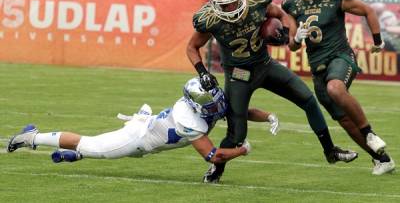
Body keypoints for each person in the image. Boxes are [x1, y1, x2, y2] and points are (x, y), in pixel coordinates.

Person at [186, 0, 358, 183]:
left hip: (265, 66)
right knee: (236, 136)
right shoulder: (209, 19)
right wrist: (202, 72)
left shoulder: (256, 0)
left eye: (234, 2)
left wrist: (285, 33)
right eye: (224, 5)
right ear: (213, 4)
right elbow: (192, 47)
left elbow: (279, 13)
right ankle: (217, 169)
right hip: (238, 76)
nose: (231, 8)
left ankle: (330, 151)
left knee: (308, 100)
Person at [283, 0, 395, 175]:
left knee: (336, 88)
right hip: (317, 67)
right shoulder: (292, 3)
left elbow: (368, 10)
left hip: (341, 56)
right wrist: (296, 39)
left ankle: (370, 133)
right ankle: (382, 159)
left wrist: (378, 41)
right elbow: (292, 46)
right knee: (344, 120)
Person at [7, 77, 279, 166]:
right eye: (208, 103)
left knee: (100, 150)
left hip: (148, 130)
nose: (216, 105)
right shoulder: (189, 119)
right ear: (196, 104)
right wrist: (243, 150)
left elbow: (240, 110)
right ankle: (31, 136)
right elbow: (213, 154)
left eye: (215, 97)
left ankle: (72, 154)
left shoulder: (207, 101)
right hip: (138, 138)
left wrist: (268, 116)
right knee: (91, 145)